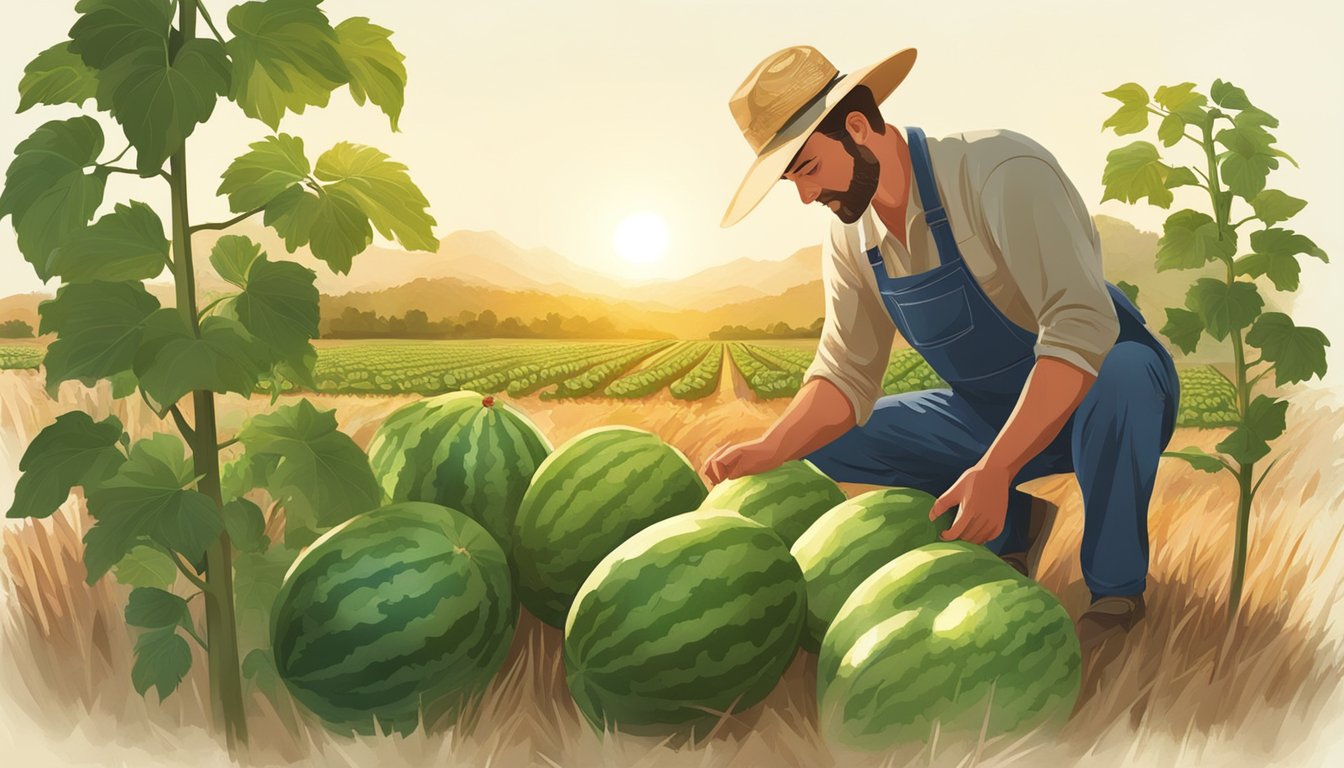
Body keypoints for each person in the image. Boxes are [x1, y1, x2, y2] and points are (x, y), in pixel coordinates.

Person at [704, 45, 1179, 663]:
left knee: (1121, 376)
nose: (805, 195)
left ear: (855, 126)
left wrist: (999, 467)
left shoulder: (1000, 171)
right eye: (794, 179)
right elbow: (847, 372)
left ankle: (1115, 594)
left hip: (1094, 388)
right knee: (829, 439)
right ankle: (1016, 529)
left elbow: (1079, 327)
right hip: (985, 412)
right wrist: (772, 447)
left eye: (809, 168)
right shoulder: (852, 234)